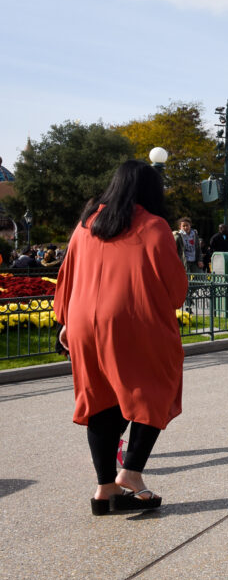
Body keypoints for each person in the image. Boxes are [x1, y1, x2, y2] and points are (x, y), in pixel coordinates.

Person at [53, 160, 188, 515]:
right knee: (156, 387)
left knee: (100, 400)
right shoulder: (154, 226)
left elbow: (66, 275)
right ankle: (131, 471)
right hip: (132, 321)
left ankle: (105, 490)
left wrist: (65, 319)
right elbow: (175, 292)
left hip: (82, 322)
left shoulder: (87, 224)